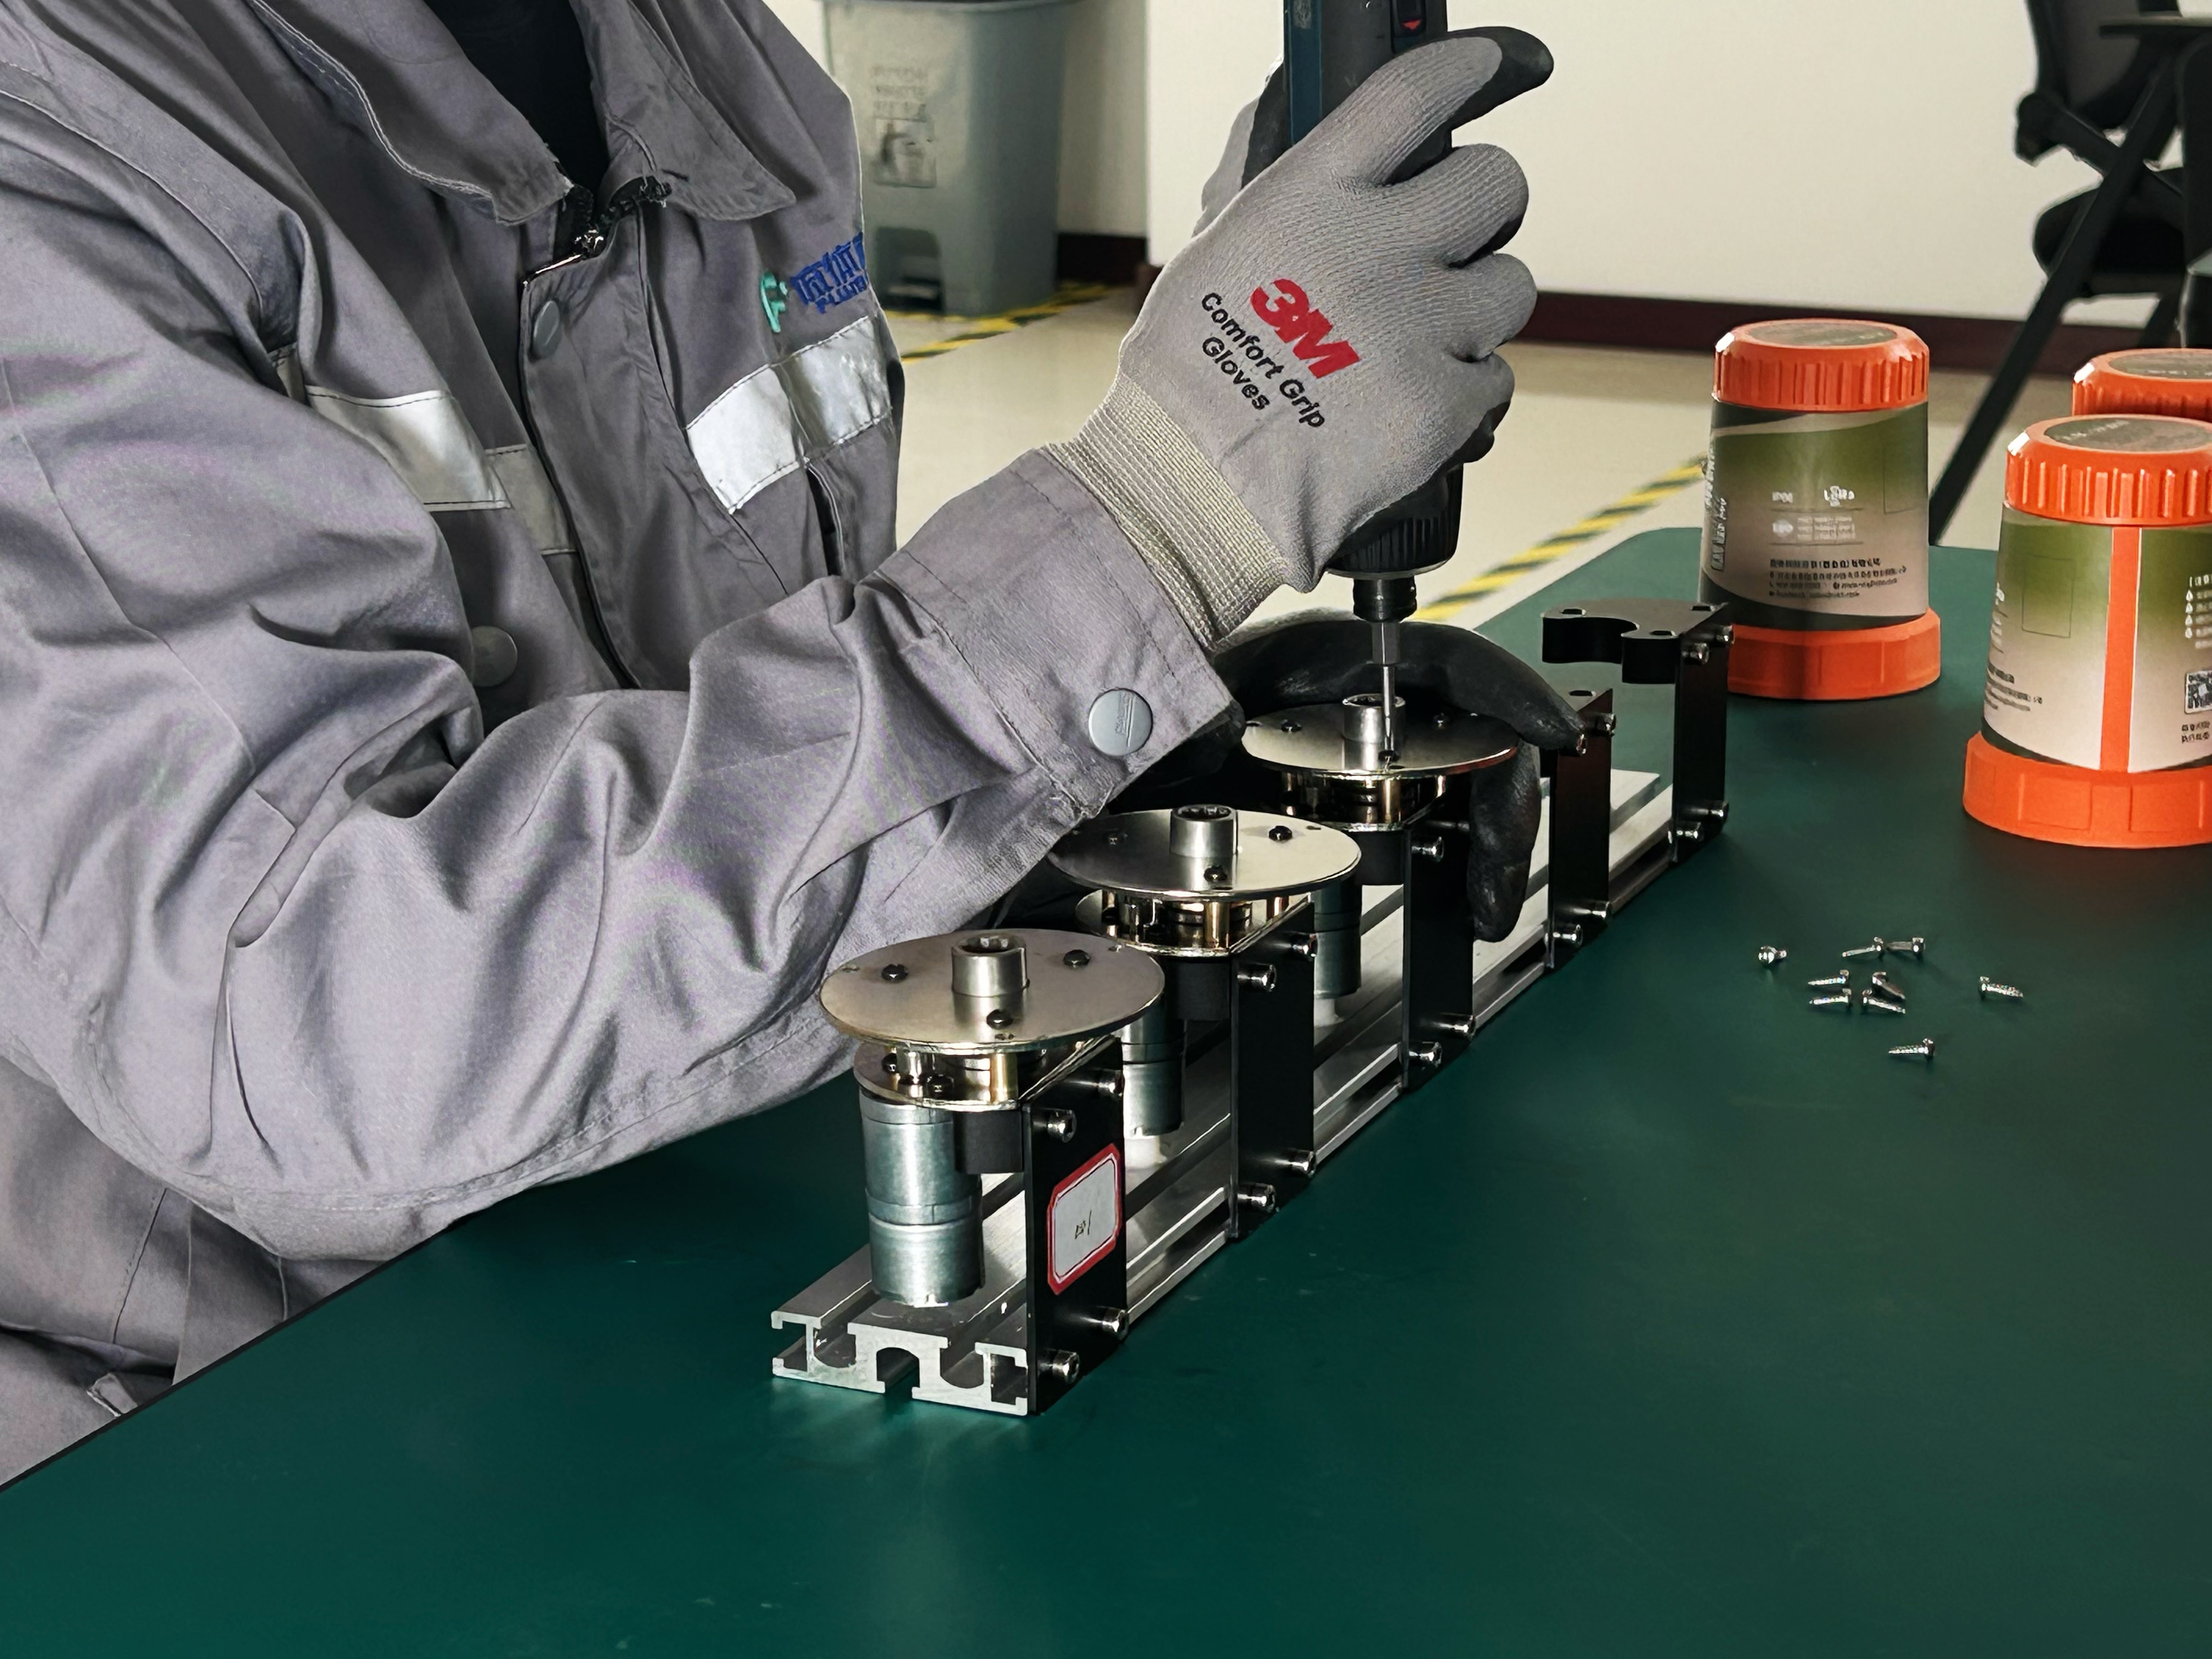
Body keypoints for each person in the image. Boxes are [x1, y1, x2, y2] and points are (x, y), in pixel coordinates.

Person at [0, 0, 1571, 1482]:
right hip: (230, 1430)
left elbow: (725, 752)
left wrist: (1121, 754)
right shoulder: (59, 150)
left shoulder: (696, 50)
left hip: (699, 1250)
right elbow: (307, 1035)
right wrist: (1157, 514)